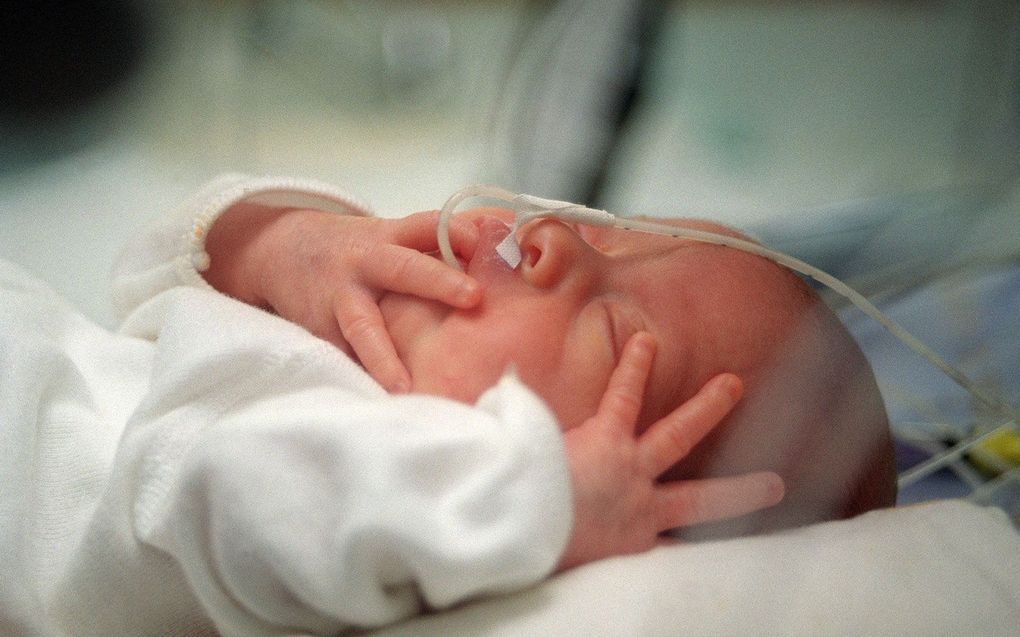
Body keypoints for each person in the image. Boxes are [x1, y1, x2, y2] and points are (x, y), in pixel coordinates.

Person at [0, 174, 789, 637]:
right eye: (612, 236)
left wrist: (536, 496)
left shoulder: (398, 486)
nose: (555, 237)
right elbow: (133, 291)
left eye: (616, 328)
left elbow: (236, 493)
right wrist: (279, 240)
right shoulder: (363, 330)